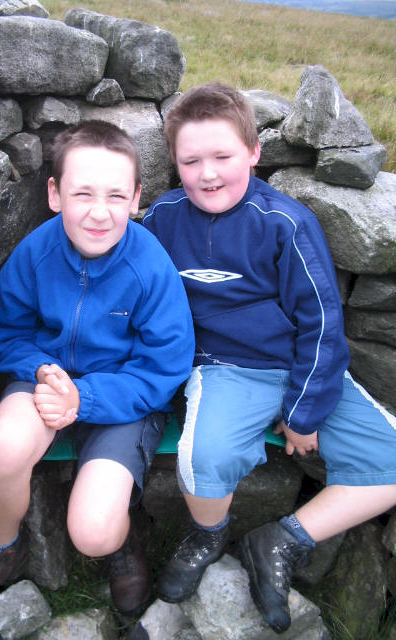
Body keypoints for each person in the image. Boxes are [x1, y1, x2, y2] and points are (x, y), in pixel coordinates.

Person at [142, 82, 396, 634]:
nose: (208, 173)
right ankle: (209, 533)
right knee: (201, 461)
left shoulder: (286, 223)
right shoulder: (161, 220)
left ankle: (282, 540)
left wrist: (305, 412)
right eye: (191, 160)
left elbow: (322, 323)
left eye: (223, 156)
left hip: (303, 368)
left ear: (254, 153)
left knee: (392, 463)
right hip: (225, 369)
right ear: (175, 162)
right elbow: (143, 295)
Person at [0, 120, 195, 635]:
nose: (99, 212)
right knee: (2, 447)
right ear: (55, 194)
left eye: (116, 196)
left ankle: (119, 542)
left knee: (92, 532)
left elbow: (163, 366)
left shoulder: (150, 267)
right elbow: (2, 327)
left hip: (123, 399)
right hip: (48, 381)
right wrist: (41, 371)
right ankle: (0, 549)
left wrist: (86, 398)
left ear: (137, 198)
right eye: (82, 193)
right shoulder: (37, 251)